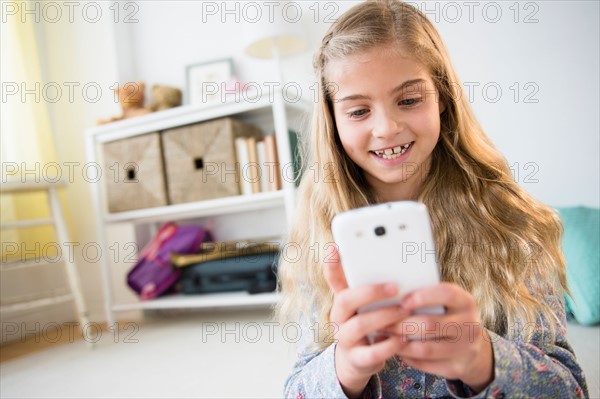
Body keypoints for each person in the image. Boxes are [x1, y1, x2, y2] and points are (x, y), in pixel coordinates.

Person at [275, 0, 589, 398]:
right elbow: (296, 389)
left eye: (408, 100)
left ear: (441, 97)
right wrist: (345, 366)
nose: (386, 128)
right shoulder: (318, 236)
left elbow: (571, 389)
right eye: (357, 111)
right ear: (333, 120)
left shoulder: (512, 225)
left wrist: (482, 359)